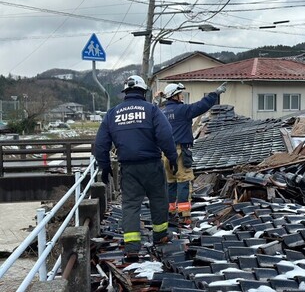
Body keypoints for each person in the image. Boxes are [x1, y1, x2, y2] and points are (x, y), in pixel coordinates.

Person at [94, 75, 178, 258]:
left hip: (129, 168)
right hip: (152, 165)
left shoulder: (112, 114)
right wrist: (172, 158)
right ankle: (160, 236)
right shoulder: (152, 110)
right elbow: (166, 135)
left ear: (125, 93)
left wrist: (105, 166)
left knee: (131, 205)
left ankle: (132, 247)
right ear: (143, 91)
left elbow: (100, 144)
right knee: (158, 200)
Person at [159, 82, 227, 225]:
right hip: (180, 152)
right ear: (174, 96)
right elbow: (201, 106)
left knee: (170, 182)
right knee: (183, 182)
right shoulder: (183, 110)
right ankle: (185, 216)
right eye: (180, 94)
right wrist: (215, 93)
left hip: (165, 153)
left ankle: (170, 213)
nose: (182, 96)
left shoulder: (162, 112)